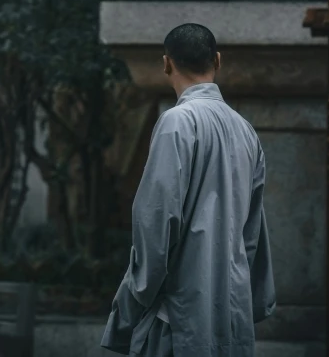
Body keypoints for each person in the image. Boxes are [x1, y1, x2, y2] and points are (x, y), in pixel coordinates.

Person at [101, 24, 275, 357]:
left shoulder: (176, 121)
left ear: (166, 64)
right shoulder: (246, 131)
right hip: (230, 311)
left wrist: (130, 308)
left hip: (178, 313)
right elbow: (252, 235)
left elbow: (156, 225)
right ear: (218, 61)